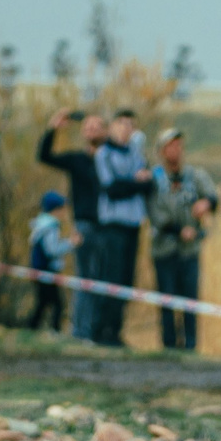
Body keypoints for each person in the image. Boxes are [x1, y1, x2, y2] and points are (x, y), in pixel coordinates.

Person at [144, 127, 217, 351]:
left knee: (190, 301)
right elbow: (155, 214)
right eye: (170, 147)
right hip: (164, 248)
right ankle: (168, 345)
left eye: (179, 146)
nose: (175, 151)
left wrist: (207, 204)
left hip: (190, 250)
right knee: (166, 300)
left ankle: (191, 345)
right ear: (161, 151)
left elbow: (212, 197)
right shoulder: (154, 179)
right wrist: (179, 230)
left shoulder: (195, 176)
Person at [35, 109, 104, 340]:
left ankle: (101, 332)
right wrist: (53, 127)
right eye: (88, 127)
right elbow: (45, 156)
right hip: (85, 225)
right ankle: (81, 332)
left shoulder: (110, 161)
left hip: (110, 228)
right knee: (85, 280)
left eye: (96, 126)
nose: (91, 130)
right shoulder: (77, 160)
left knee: (106, 282)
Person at [90, 109, 154, 348]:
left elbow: (148, 184)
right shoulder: (104, 154)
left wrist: (136, 183)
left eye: (131, 125)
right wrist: (136, 182)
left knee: (126, 279)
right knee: (111, 277)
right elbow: (111, 188)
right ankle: (100, 330)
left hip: (133, 225)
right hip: (112, 226)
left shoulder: (136, 154)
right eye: (122, 124)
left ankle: (115, 331)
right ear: (113, 126)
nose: (126, 129)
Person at [25, 190, 75, 333]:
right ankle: (55, 331)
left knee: (44, 302)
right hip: (46, 271)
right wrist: (70, 243)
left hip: (40, 270)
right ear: (56, 210)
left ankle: (32, 328)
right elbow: (52, 250)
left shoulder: (41, 225)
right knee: (57, 304)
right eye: (62, 209)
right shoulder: (50, 227)